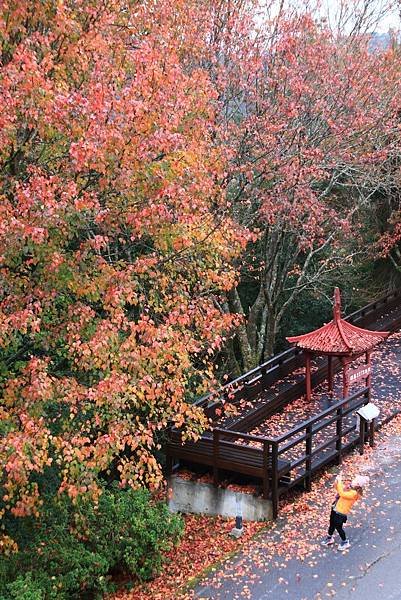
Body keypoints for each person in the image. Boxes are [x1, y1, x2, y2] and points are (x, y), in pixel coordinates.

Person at [321, 474, 363, 551]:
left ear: (358, 485)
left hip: (340, 513)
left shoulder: (354, 493)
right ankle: (329, 538)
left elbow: (342, 494)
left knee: (338, 527)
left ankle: (345, 542)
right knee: (332, 524)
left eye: (356, 482)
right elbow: (338, 489)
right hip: (335, 508)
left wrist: (340, 482)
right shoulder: (350, 490)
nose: (353, 482)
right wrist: (337, 482)